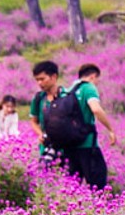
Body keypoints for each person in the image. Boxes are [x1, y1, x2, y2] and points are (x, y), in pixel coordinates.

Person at [24, 60, 107, 190]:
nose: (39, 83)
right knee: (52, 186)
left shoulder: (67, 96)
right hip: (47, 149)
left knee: (72, 185)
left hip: (67, 149)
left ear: (54, 77)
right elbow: (33, 121)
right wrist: (40, 134)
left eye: (42, 79)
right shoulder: (39, 98)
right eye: (37, 80)